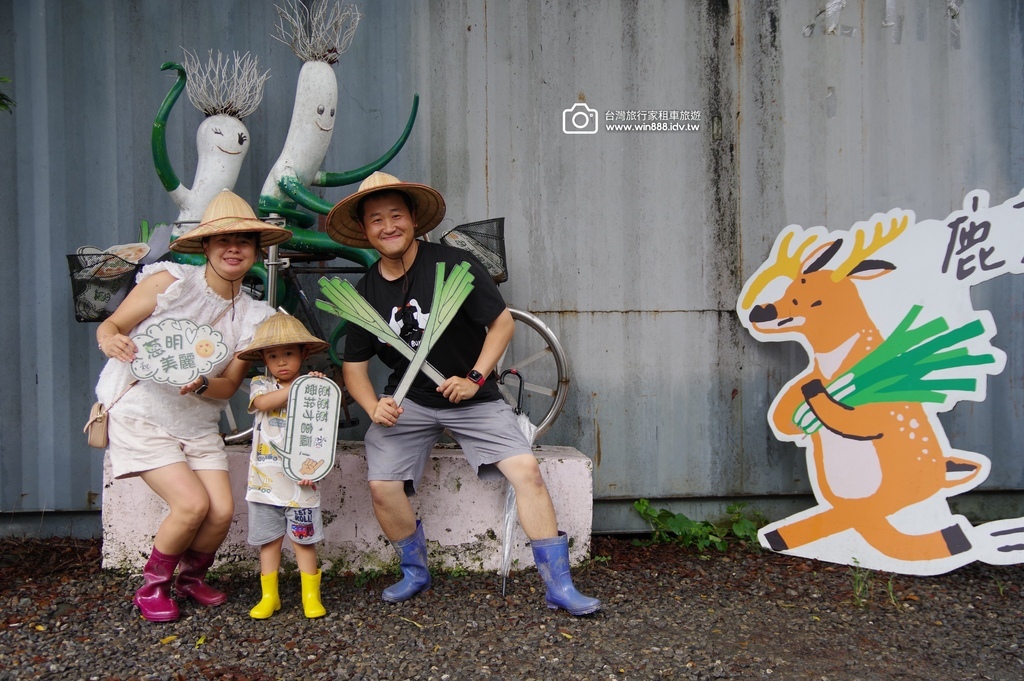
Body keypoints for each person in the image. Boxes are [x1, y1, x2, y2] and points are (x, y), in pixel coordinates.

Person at [326, 171, 600, 615]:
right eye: (376, 219)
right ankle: (415, 571)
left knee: (527, 471)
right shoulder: (366, 293)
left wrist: (474, 377)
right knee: (382, 485)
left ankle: (558, 585)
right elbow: (353, 366)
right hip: (410, 400)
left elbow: (502, 323)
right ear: (364, 230)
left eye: (396, 215)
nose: (388, 226)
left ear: (413, 219)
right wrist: (373, 404)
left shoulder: (454, 265)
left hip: (474, 396)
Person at [94, 189, 291, 622]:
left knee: (220, 510)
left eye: (244, 241)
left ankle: (191, 578)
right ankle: (153, 587)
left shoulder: (255, 316)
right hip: (141, 411)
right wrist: (111, 340)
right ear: (206, 246)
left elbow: (228, 387)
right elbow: (112, 325)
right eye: (223, 240)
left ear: (257, 249)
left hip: (197, 419)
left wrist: (203, 383)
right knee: (191, 506)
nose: (233, 248)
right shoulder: (169, 283)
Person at [236, 311, 331, 619]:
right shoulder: (261, 384)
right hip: (264, 482)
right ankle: (269, 596)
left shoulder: (314, 390)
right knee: (269, 540)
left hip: (301, 482)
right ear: (263, 358)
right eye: (272, 355)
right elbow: (263, 404)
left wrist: (313, 389)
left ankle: (310, 596)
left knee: (304, 541)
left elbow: (322, 432)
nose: (281, 362)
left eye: (288, 353)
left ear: (303, 353)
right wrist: (299, 388)